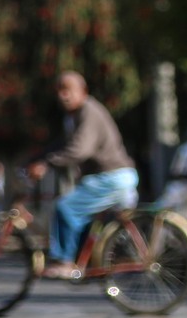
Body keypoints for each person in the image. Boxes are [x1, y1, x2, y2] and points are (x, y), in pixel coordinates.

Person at [27, 72, 140, 280]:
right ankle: (84, 263)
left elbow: (80, 150)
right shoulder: (73, 117)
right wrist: (36, 159)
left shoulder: (89, 111)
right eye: (60, 90)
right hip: (108, 178)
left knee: (66, 207)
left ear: (83, 91)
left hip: (112, 176)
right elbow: (62, 144)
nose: (63, 95)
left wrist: (48, 164)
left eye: (68, 90)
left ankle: (65, 262)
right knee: (82, 219)